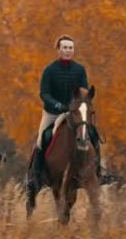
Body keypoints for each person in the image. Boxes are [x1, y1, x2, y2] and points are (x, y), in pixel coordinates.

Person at [26, 35, 114, 192]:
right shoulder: (49, 70)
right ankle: (35, 176)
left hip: (76, 113)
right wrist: (58, 105)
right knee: (43, 138)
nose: (68, 50)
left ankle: (99, 172)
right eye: (65, 47)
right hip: (53, 113)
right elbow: (44, 94)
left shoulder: (80, 70)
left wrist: (80, 104)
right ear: (58, 50)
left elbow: (84, 92)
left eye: (70, 48)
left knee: (93, 134)